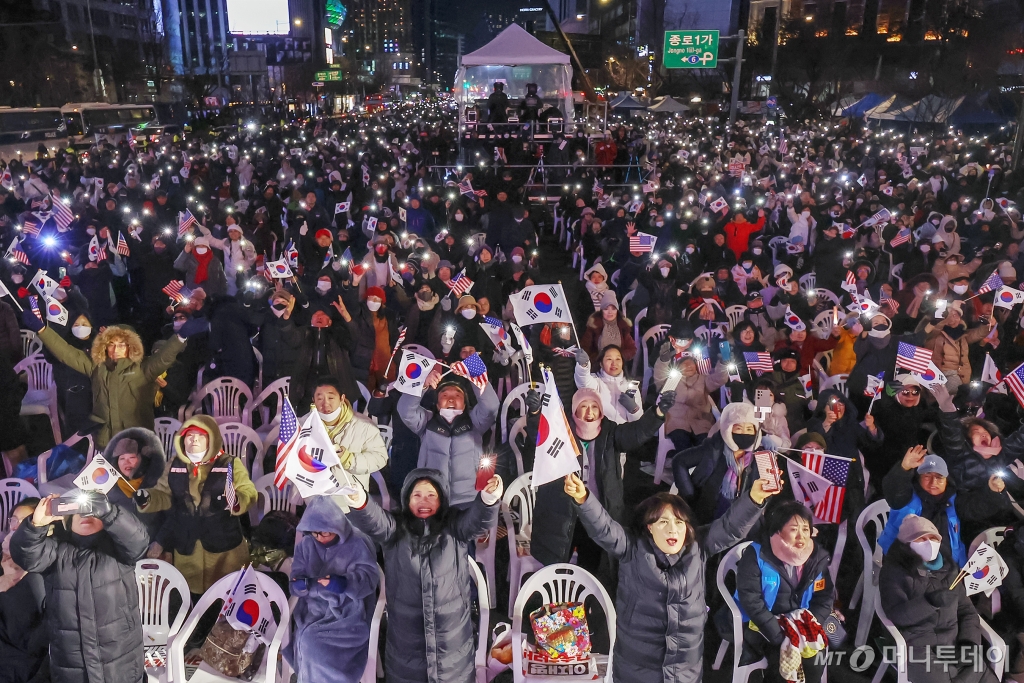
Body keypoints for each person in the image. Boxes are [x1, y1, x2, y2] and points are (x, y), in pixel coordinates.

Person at [562, 470, 778, 683]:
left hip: (685, 667)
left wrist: (754, 498)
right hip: (637, 666)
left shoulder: (698, 546)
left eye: (679, 522)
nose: (672, 530)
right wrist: (583, 499)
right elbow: (604, 529)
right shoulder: (631, 548)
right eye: (663, 522)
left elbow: (730, 527)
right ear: (649, 528)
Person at [342, 468, 503, 683]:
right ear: (406, 499)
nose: (423, 501)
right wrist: (360, 500)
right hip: (407, 643)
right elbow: (374, 520)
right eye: (416, 495)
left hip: (452, 642)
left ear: (442, 499)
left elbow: (477, 520)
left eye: (431, 495)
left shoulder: (454, 526)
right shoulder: (394, 529)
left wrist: (488, 499)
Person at [10, 490, 149, 683]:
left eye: (92, 509)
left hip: (120, 663)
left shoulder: (119, 548)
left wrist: (110, 512)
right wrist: (36, 525)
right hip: (71, 668)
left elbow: (138, 540)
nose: (86, 514)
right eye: (79, 511)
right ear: (68, 520)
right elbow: (25, 555)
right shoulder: (55, 551)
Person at [531, 387, 673, 572]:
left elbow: (635, 433)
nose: (589, 412)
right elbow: (539, 435)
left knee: (590, 564)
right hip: (563, 511)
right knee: (557, 563)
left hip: (596, 512)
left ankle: (583, 588)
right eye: (583, 406)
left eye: (594, 407)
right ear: (574, 409)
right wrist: (535, 412)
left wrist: (657, 412)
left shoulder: (610, 432)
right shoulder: (561, 430)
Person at [23, 312, 206, 447]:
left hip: (136, 440)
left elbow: (164, 357)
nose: (115, 349)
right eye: (111, 344)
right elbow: (66, 353)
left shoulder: (144, 368)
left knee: (135, 483)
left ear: (130, 346)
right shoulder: (96, 366)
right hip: (105, 441)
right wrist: (42, 330)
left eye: (121, 344)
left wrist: (180, 336)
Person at [136, 415, 258, 595]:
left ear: (211, 439)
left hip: (224, 548)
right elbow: (163, 494)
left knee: (227, 596)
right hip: (187, 546)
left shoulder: (230, 463)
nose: (194, 440)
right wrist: (147, 498)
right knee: (190, 595)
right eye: (189, 435)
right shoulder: (174, 463)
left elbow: (249, 491)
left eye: (200, 436)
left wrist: (237, 500)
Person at [878, 514, 999, 683]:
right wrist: (929, 602)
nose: (929, 543)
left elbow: (967, 611)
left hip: (953, 642)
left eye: (933, 538)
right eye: (921, 538)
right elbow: (897, 615)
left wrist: (969, 643)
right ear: (907, 543)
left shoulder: (950, 570)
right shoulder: (894, 572)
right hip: (916, 646)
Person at [737, 502, 835, 683]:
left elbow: (825, 597)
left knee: (816, 658)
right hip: (763, 625)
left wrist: (811, 625)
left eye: (805, 529)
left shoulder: (816, 557)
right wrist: (780, 635)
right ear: (778, 530)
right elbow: (751, 601)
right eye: (794, 529)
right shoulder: (757, 554)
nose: (801, 536)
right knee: (783, 660)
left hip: (801, 622)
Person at [285, 496, 379, 683]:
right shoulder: (306, 545)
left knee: (312, 645)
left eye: (325, 533)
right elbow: (296, 577)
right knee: (306, 641)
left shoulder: (358, 543)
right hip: (313, 610)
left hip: (348, 613)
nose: (319, 538)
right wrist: (300, 585)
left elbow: (369, 579)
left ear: (337, 526)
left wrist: (344, 584)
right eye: (315, 533)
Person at [878, 447, 1006, 568]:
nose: (933, 482)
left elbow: (976, 508)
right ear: (919, 478)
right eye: (927, 476)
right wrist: (903, 469)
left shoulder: (954, 500)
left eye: (939, 477)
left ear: (946, 481)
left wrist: (993, 492)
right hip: (906, 564)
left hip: (948, 567)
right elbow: (894, 490)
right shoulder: (906, 497)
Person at [397, 367, 499, 508]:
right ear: (438, 405)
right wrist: (422, 385)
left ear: (464, 404)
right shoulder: (426, 422)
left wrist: (473, 372)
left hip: (469, 499)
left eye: (458, 395)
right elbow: (405, 410)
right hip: (433, 499)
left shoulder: (475, 421)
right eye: (444, 395)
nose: (451, 399)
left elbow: (491, 406)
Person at [310, 377, 388, 494]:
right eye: (320, 398)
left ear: (342, 398)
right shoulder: (304, 424)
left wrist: (349, 459)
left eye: (331, 398)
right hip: (315, 496)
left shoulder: (364, 426)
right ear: (313, 400)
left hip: (351, 497)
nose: (325, 404)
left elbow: (380, 458)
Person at [0, 497, 47, 683]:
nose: (15, 527)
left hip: (22, 666)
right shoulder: (4, 561)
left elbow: (30, 641)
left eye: (25, 522)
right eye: (13, 521)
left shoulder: (40, 578)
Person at [573, 346, 641, 424]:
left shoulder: (631, 385)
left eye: (618, 359)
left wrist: (634, 409)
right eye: (609, 359)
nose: (614, 363)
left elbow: (638, 423)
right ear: (601, 364)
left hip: (624, 431)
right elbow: (584, 381)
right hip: (602, 430)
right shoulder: (596, 381)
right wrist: (583, 366)